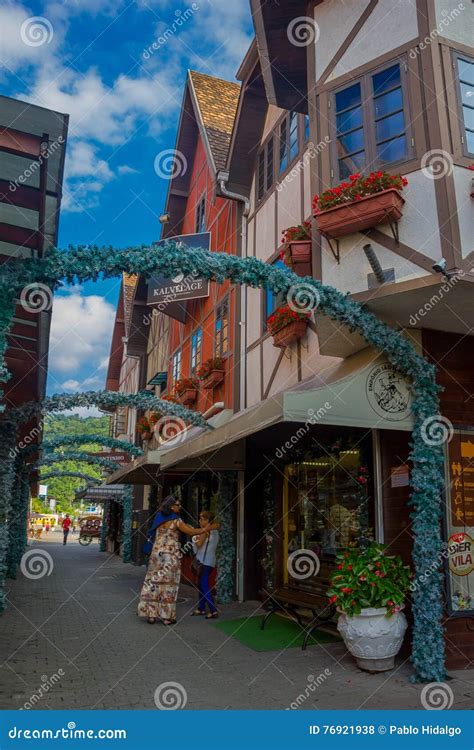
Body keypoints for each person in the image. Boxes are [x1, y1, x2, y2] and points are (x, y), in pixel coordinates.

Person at [137, 496, 211, 626]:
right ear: (172, 506)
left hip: (156, 553)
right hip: (170, 555)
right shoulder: (176, 521)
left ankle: (151, 615)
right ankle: (166, 617)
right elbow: (191, 532)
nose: (179, 506)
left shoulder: (158, 517)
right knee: (169, 584)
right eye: (178, 504)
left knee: (154, 581)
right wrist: (206, 529)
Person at [192, 510, 219, 619]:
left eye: (202, 519)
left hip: (203, 562)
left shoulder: (205, 532)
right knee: (201, 585)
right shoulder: (215, 531)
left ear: (207, 520)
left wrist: (193, 539)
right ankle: (201, 608)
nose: (199, 520)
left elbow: (198, 545)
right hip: (211, 562)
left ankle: (213, 610)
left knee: (203, 585)